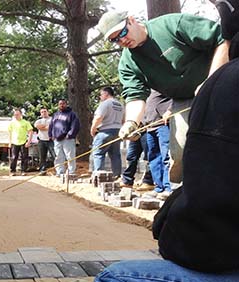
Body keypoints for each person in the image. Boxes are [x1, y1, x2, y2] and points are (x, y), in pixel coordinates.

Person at [90, 40, 239, 282]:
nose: (120, 40)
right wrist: (132, 122)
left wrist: (170, 222)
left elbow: (203, 245)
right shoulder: (133, 62)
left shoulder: (227, 84)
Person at [97, 11, 229, 183]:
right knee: (181, 152)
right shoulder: (128, 63)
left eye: (122, 32)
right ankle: (187, 194)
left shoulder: (172, 24)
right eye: (115, 40)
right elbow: (135, 95)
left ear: (131, 20)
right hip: (184, 99)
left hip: (223, 83)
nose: (122, 40)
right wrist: (131, 123)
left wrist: (211, 81)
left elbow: (222, 38)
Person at [143, 90, 173, 200]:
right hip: (150, 125)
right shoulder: (149, 88)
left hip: (163, 124)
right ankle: (159, 187)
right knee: (154, 158)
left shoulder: (164, 81)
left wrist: (170, 110)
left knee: (166, 156)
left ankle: (168, 188)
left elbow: (177, 96)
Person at [90, 87, 124, 178]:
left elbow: (98, 117)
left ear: (106, 94)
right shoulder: (120, 105)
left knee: (98, 153)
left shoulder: (105, 104)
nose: (100, 97)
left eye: (101, 95)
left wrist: (93, 129)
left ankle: (99, 176)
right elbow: (124, 119)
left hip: (105, 131)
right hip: (117, 131)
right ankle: (117, 175)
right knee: (115, 155)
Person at [48, 99, 80, 176]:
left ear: (66, 104)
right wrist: (50, 135)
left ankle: (71, 172)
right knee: (58, 156)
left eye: (63, 103)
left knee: (70, 156)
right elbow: (51, 125)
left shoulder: (72, 114)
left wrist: (70, 135)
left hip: (67, 139)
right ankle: (59, 172)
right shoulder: (56, 114)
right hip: (57, 139)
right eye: (60, 104)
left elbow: (75, 125)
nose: (61, 105)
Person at [8, 108, 34, 175]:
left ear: (21, 114)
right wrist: (10, 142)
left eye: (17, 114)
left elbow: (31, 132)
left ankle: (23, 171)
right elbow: (10, 133)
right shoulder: (12, 123)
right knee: (14, 157)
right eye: (15, 115)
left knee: (24, 157)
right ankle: (12, 171)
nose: (16, 116)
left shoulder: (25, 122)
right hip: (14, 142)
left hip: (23, 142)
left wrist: (29, 142)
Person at [34, 108, 55, 173]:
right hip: (41, 141)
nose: (44, 113)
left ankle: (57, 170)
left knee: (54, 155)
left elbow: (51, 127)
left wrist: (44, 127)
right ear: (40, 114)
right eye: (42, 112)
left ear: (48, 112)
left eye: (45, 111)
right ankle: (42, 170)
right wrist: (46, 127)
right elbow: (38, 126)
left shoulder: (52, 119)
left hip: (50, 140)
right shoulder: (38, 121)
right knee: (42, 157)